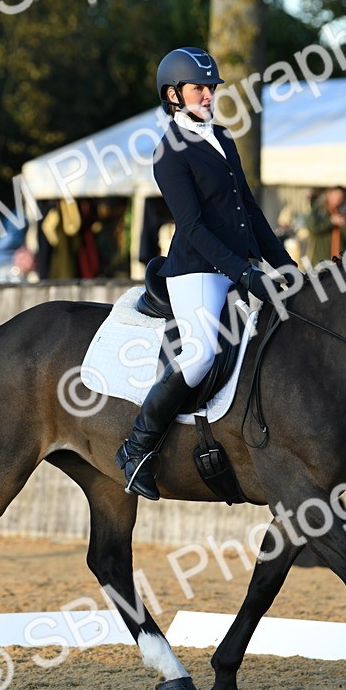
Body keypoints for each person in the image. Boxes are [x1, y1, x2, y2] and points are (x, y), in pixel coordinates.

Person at [114, 46, 297, 500]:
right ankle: (137, 448)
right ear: (174, 95)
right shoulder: (170, 153)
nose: (208, 95)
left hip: (237, 269)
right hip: (196, 272)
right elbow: (192, 227)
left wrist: (286, 267)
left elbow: (250, 212)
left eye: (211, 88)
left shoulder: (224, 139)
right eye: (199, 88)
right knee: (197, 357)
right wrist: (246, 274)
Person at [305, 186, 346, 264]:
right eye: (336, 196)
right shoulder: (320, 210)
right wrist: (330, 221)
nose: (338, 200)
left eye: (341, 198)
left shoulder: (345, 213)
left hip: (339, 262)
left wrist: (344, 224)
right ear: (329, 194)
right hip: (321, 261)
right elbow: (312, 228)